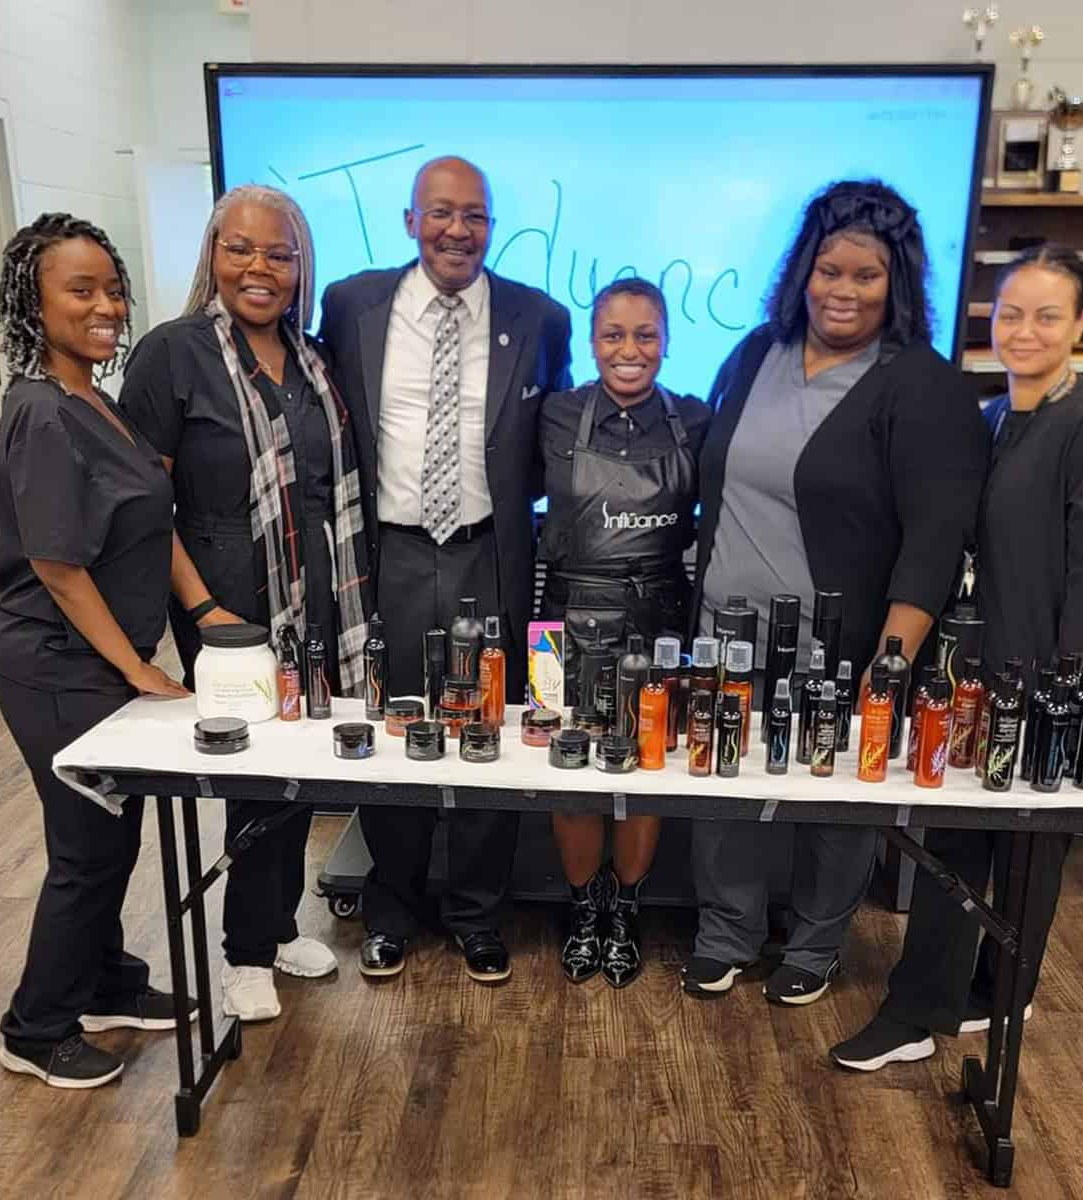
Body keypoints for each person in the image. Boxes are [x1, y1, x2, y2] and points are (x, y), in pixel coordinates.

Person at [831, 244, 1083, 1071]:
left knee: (1029, 851)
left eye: (1047, 315)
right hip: (987, 671)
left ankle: (984, 996)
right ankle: (940, 1001)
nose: (1025, 330)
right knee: (960, 841)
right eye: (1011, 313)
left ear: (1080, 324)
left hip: (1061, 678)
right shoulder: (994, 418)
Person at [683, 179, 990, 1002]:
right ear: (801, 273)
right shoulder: (754, 353)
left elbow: (933, 541)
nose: (843, 290)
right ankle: (727, 933)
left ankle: (815, 949)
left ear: (897, 286)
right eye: (828, 270)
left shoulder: (919, 384)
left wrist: (890, 663)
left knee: (831, 797)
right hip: (725, 629)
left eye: (866, 275)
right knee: (722, 782)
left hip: (841, 642)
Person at [120, 185, 371, 1021]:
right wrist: (201, 613)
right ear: (213, 255)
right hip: (228, 612)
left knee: (298, 770)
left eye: (279, 253)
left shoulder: (317, 357)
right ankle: (242, 953)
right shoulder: (171, 354)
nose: (259, 267)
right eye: (241, 249)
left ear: (302, 268)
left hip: (321, 605)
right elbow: (147, 506)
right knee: (252, 775)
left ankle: (273, 923)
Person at [320, 156, 572, 984]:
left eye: (475, 216)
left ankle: (475, 912)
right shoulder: (353, 303)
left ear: (492, 226)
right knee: (397, 729)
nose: (458, 231)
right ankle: (391, 909)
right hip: (388, 553)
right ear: (409, 220)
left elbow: (551, 442)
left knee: (486, 732)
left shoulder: (538, 316)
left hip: (489, 551)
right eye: (441, 213)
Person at [0, 213, 190, 1088]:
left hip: (95, 662)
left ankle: (107, 981)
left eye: (112, 287)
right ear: (35, 306)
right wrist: (139, 669)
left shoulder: (95, 399)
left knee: (115, 829)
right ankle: (34, 1027)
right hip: (55, 661)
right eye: (82, 290)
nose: (106, 304)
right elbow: (58, 566)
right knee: (85, 847)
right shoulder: (39, 410)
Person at [538, 278, 709, 987]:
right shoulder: (556, 414)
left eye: (645, 335)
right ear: (591, 341)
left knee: (644, 774)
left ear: (666, 342)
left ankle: (627, 909)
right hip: (563, 617)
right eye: (613, 334)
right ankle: (585, 909)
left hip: (662, 618)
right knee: (570, 779)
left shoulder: (696, 420)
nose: (629, 349)